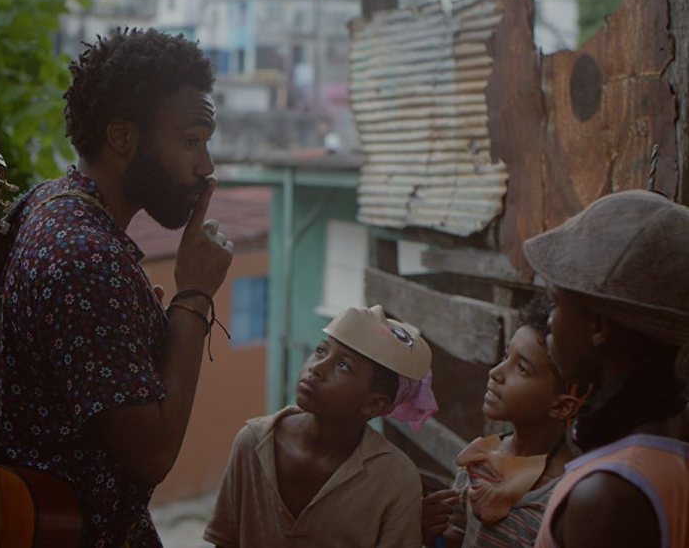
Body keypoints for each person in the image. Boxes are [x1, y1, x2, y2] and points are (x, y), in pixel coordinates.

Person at [0, 28, 234, 547]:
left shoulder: (47, 203)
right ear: (123, 137)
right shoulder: (85, 257)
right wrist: (195, 291)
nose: (206, 165)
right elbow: (154, 455)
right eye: (191, 141)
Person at [522, 190, 689, 548]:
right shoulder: (671, 440)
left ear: (599, 327)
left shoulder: (605, 497)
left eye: (556, 303)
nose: (549, 321)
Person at [202, 305, 438, 547]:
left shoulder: (394, 477)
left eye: (343, 365)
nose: (316, 368)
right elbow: (225, 541)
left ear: (374, 404)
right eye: (320, 351)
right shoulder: (253, 442)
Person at [422, 298, 581, 548]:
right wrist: (429, 534)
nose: (495, 372)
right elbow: (459, 533)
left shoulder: (562, 497)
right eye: (506, 356)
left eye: (521, 369)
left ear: (562, 406)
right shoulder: (479, 459)